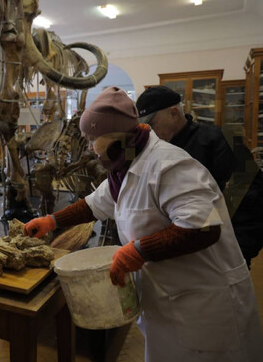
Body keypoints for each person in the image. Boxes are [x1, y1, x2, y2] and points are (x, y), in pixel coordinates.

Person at [24, 86, 263, 362]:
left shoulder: (170, 165)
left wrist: (138, 250)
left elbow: (204, 227)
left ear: (113, 134)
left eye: (93, 139)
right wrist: (51, 220)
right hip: (168, 302)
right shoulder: (125, 162)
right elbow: (95, 203)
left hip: (205, 307)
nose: (90, 147)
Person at [136, 85, 263, 267]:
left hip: (220, 257)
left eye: (152, 124)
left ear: (173, 113)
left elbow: (250, 202)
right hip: (179, 258)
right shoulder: (154, 151)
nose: (149, 132)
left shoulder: (221, 141)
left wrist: (237, 254)